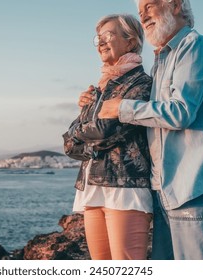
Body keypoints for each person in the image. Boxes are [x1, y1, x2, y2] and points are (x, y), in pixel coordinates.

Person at [91, 0, 203, 260]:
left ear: (177, 5)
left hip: (197, 187)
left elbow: (180, 112)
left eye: (150, 6)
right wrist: (95, 99)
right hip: (166, 191)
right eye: (140, 11)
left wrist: (122, 108)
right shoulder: (162, 59)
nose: (143, 15)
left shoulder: (196, 47)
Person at [63, 14, 153, 260]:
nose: (101, 43)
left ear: (131, 41)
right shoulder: (99, 88)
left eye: (109, 36)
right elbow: (69, 145)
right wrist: (82, 132)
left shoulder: (141, 84)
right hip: (92, 187)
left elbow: (106, 131)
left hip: (125, 189)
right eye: (99, 38)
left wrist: (82, 133)